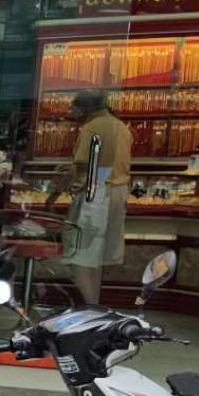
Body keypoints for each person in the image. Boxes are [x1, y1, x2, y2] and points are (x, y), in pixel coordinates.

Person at [57, 89, 132, 306]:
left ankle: (91, 308)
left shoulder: (93, 127)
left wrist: (56, 192)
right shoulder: (120, 126)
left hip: (96, 195)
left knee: (80, 256)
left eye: (74, 108)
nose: (72, 112)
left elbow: (82, 168)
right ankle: (94, 305)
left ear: (84, 109)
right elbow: (104, 164)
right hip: (117, 192)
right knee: (96, 259)